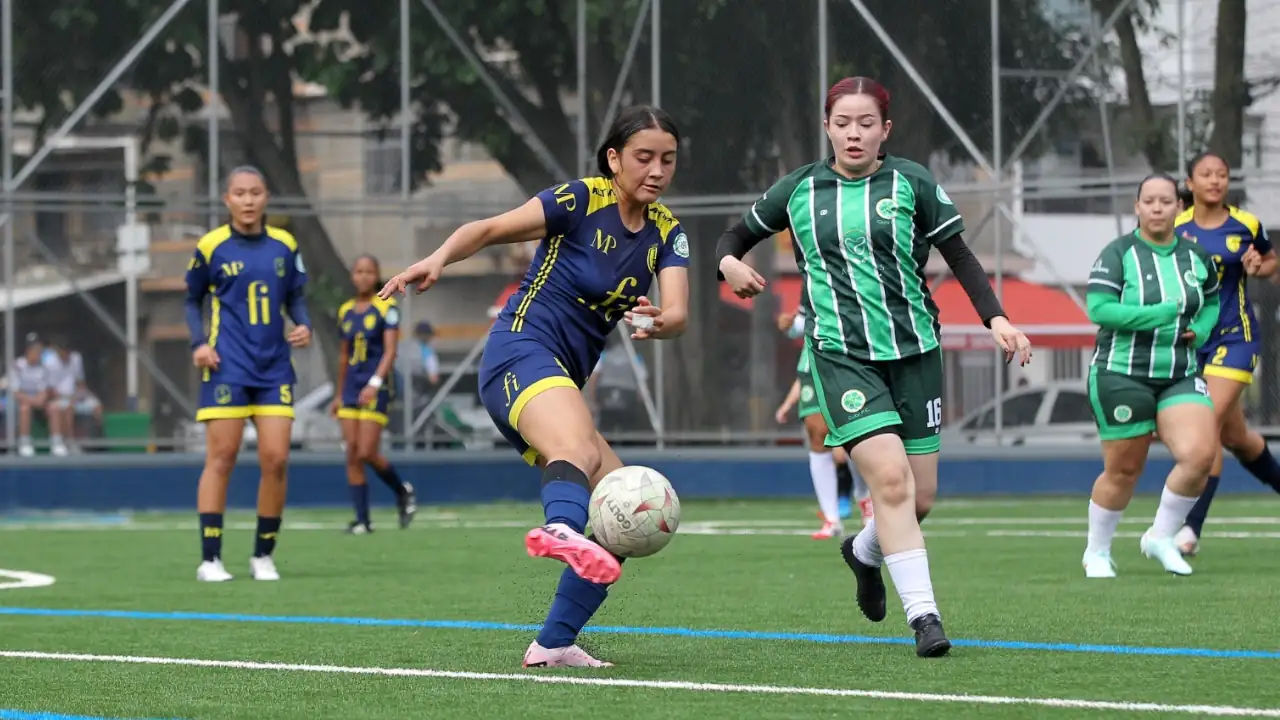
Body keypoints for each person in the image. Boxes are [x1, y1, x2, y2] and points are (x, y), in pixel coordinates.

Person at [717, 77, 1031, 658]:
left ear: (885, 130)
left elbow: (959, 256)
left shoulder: (912, 182)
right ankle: (926, 618)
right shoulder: (800, 189)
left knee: (920, 498)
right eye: (843, 122)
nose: (854, 133)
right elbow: (734, 236)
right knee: (889, 481)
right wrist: (729, 263)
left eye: (866, 123)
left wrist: (997, 320)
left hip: (915, 352)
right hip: (841, 356)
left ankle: (863, 552)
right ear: (828, 128)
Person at [381, 105, 689, 668]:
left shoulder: (668, 233)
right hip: (519, 351)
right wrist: (438, 259)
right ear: (614, 158)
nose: (657, 170)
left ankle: (553, 643)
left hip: (557, 379)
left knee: (625, 511)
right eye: (644, 157)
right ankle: (560, 528)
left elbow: (678, 313)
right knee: (577, 449)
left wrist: (661, 321)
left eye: (667, 159)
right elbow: (490, 230)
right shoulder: (581, 200)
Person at [1080, 173, 1219, 577]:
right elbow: (1100, 309)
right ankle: (1098, 551)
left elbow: (1210, 300)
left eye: (1166, 201)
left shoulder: (1195, 256)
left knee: (1199, 458)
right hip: (1121, 373)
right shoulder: (1117, 253)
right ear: (1137, 208)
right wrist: (1156, 315)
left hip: (1179, 371)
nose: (1157, 208)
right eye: (1149, 201)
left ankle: (1160, 536)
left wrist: (1205, 328)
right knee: (1124, 470)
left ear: (1179, 207)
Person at [185, 166, 312, 583]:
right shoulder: (211, 246)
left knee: (276, 459)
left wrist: (302, 324)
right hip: (227, 367)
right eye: (239, 193)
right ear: (227, 200)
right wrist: (198, 345)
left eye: (255, 192)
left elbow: (296, 295)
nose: (247, 200)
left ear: (266, 197)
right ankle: (211, 559)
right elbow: (190, 300)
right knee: (221, 458)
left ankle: (263, 554)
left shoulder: (284, 245)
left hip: (274, 366)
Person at [1169, 153, 1280, 556]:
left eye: (1222, 174)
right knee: (1237, 438)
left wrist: (1259, 266)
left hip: (1236, 338)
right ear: (1191, 182)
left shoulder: (1246, 224)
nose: (1215, 181)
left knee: (1204, 426)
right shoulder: (1175, 228)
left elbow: (1271, 262)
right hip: (1190, 343)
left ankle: (1188, 530)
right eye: (1206, 175)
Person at [331, 254, 417, 534]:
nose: (364, 276)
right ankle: (362, 520)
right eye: (359, 271)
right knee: (352, 454)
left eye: (369, 271)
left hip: (375, 388)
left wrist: (375, 383)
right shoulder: (345, 310)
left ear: (377, 275)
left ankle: (402, 490)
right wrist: (338, 393)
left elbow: (390, 350)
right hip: (350, 389)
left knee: (367, 451)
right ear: (353, 276)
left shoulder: (387, 307)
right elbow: (344, 355)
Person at [773, 306, 873, 538]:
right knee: (817, 437)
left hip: (849, 360)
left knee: (856, 440)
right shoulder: (812, 277)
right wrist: (789, 324)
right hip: (813, 365)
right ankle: (832, 519)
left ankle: (864, 497)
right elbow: (802, 322)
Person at [9, 335, 59, 457]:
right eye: (35, 350)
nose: (38, 353)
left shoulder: (45, 366)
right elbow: (16, 391)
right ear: (28, 351)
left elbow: (47, 389)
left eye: (40, 350)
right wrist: (32, 400)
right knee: (25, 408)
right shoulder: (17, 365)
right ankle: (25, 443)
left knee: (54, 407)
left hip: (40, 401)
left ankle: (57, 443)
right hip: (24, 401)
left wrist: (41, 398)